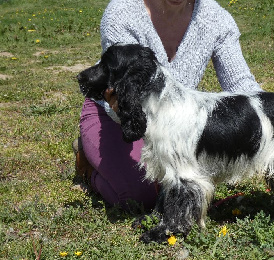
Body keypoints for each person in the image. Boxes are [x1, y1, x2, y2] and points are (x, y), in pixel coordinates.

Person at [74, 0, 263, 211]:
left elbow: (240, 84)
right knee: (140, 196)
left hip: (172, 124)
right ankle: (89, 168)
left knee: (171, 187)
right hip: (115, 115)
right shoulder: (122, 12)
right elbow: (121, 94)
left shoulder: (215, 18)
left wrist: (272, 123)